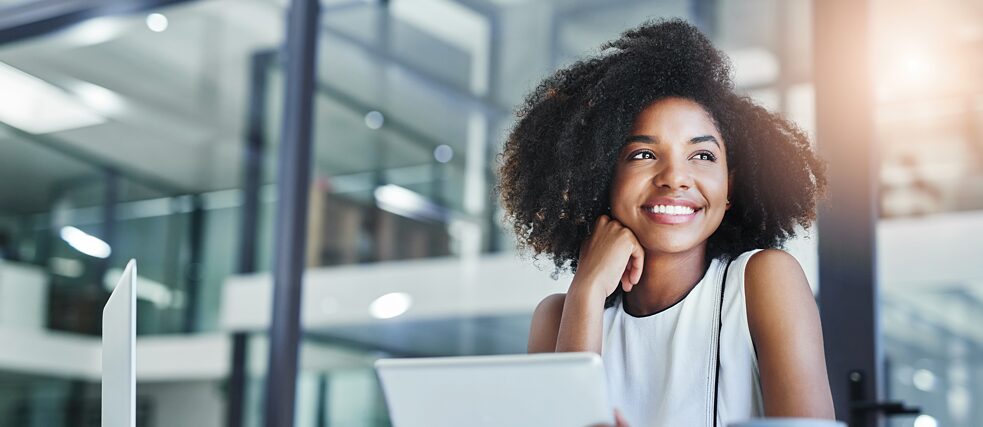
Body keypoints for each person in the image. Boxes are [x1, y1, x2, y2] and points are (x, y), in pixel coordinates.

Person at [497, 19, 835, 426]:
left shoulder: (762, 281)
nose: (675, 177)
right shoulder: (557, 319)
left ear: (730, 188)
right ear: (600, 177)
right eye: (643, 154)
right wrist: (586, 292)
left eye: (703, 156)